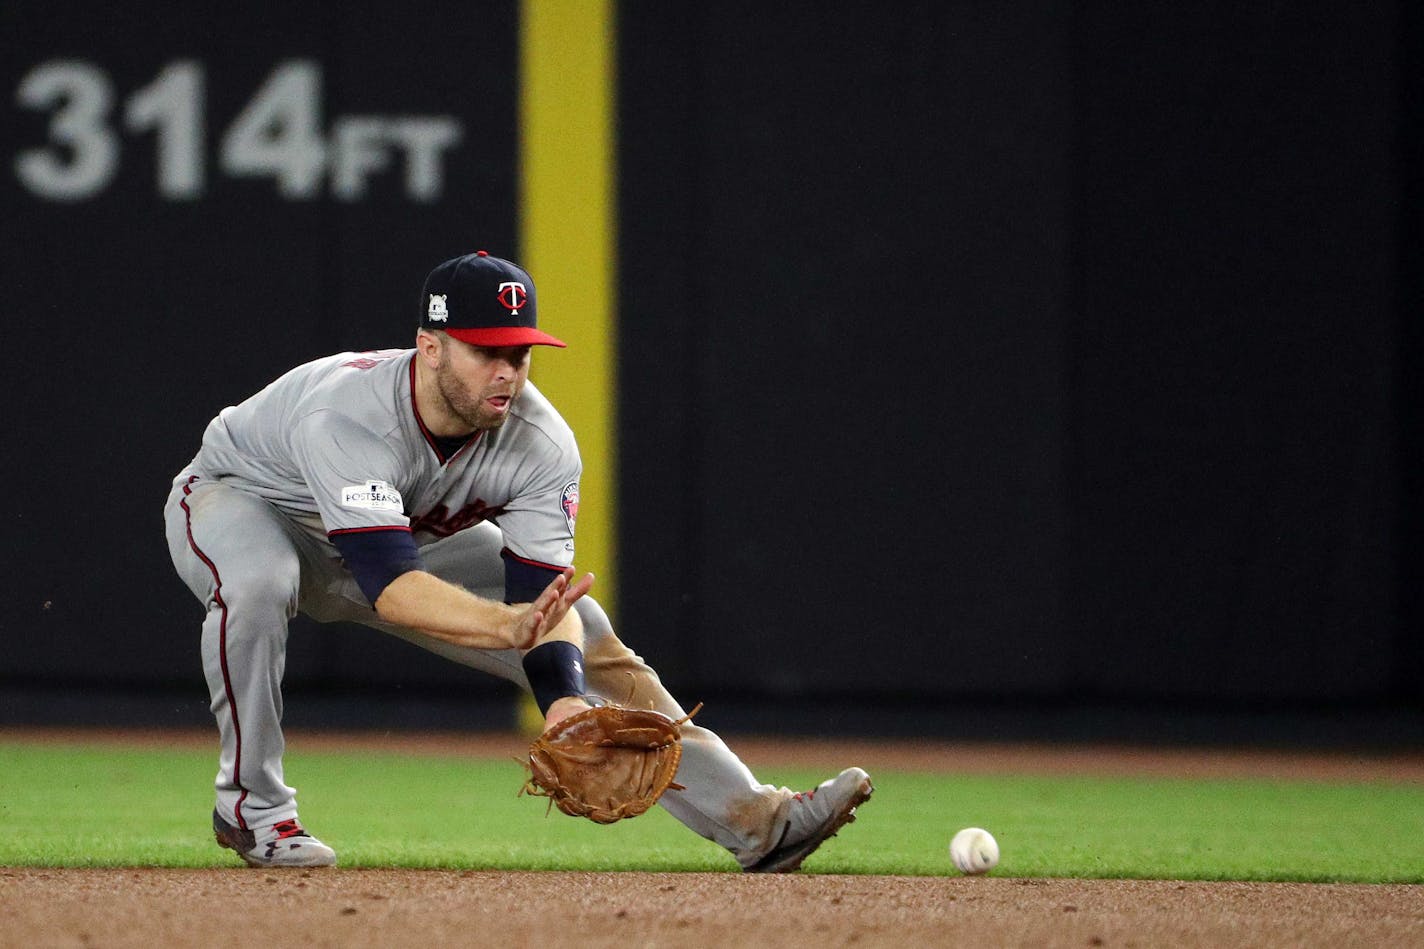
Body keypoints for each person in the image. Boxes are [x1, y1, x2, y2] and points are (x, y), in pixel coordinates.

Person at [163, 251, 872, 871]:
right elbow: (393, 590)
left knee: (588, 637)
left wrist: (561, 697)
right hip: (250, 503)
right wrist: (507, 627)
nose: (506, 372)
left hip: (394, 537)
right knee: (259, 583)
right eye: (485, 351)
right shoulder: (349, 414)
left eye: (519, 353)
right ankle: (252, 806)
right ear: (430, 347)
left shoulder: (542, 443)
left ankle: (758, 822)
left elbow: (544, 597)